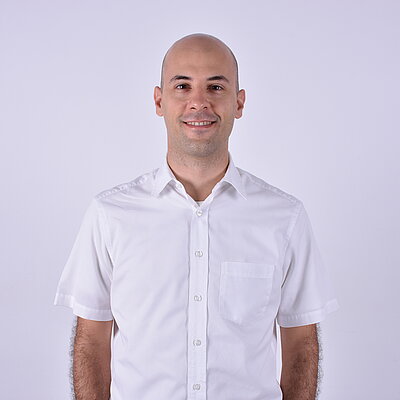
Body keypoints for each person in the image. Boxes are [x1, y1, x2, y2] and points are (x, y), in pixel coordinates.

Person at [54, 33, 340, 400]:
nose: (199, 102)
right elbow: (91, 342)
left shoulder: (284, 218)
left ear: (239, 102)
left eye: (216, 87)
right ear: (159, 101)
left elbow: (301, 344)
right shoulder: (110, 215)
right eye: (183, 86)